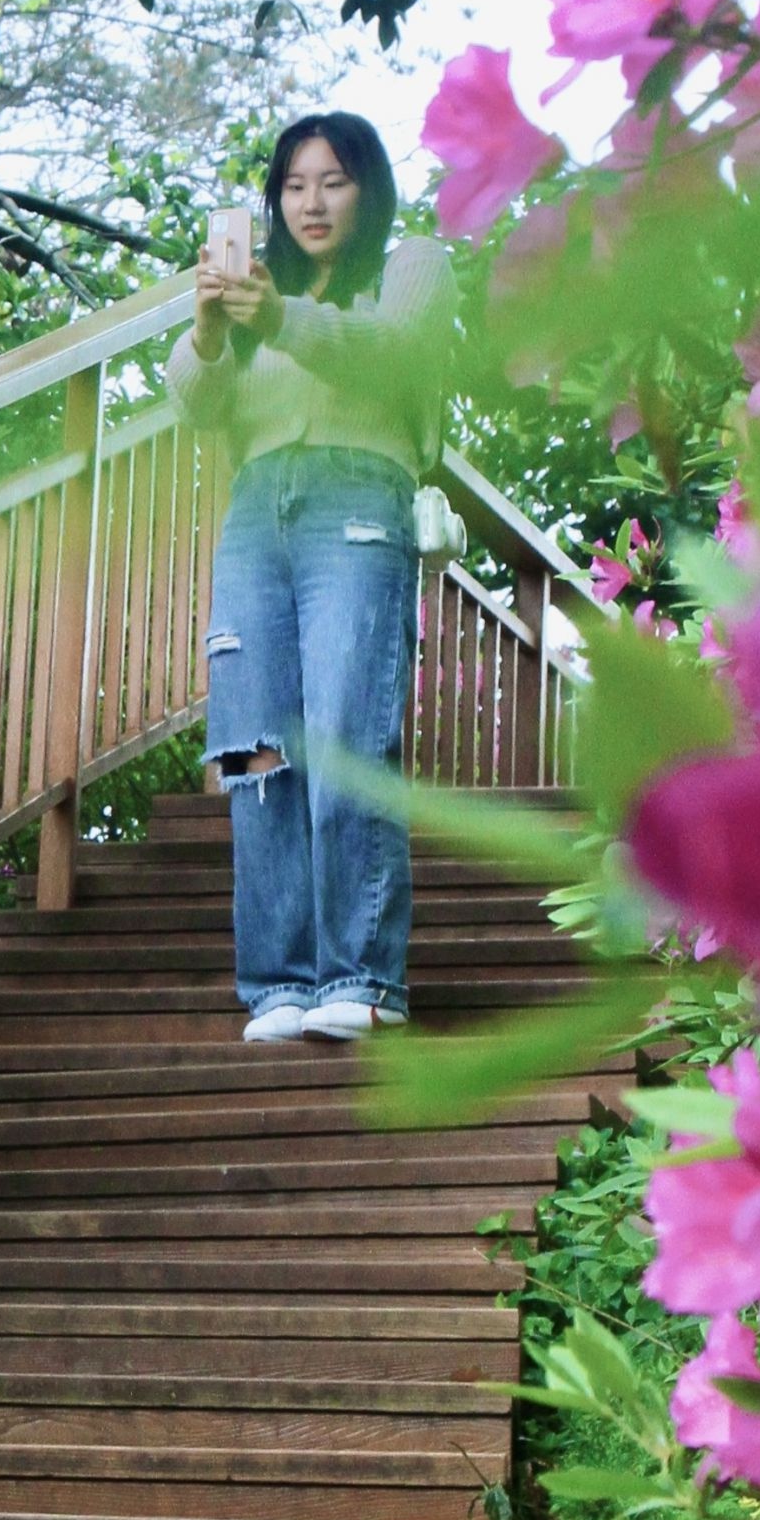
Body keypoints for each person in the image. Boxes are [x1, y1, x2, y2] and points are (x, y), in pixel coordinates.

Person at [165, 114, 454, 1045]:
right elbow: (197, 406)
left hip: (358, 501)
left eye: (333, 182)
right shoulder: (257, 298)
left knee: (344, 733)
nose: (311, 203)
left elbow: (391, 354)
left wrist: (277, 317)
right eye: (293, 185)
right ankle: (279, 983)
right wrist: (211, 328)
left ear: (367, 190)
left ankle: (363, 975)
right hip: (257, 513)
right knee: (255, 750)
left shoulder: (410, 267)